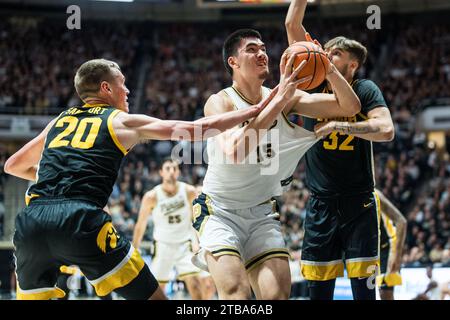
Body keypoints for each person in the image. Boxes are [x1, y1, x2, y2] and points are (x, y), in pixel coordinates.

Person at [3, 58, 290, 300]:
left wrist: (53, 177)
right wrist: (254, 110)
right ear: (106, 88)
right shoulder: (119, 120)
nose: (127, 90)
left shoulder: (59, 121)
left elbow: (13, 165)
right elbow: (192, 129)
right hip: (79, 218)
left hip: (31, 223)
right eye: (122, 83)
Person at [191, 29, 361, 300]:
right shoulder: (220, 102)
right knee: (236, 294)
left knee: (277, 296)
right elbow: (236, 151)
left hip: (261, 214)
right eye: (251, 49)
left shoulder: (287, 97)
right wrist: (278, 99)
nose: (261, 54)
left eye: (263, 48)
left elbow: (350, 106)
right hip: (220, 212)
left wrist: (328, 68)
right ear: (233, 62)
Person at [285, 0, 395, 300]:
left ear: (352, 64)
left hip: (359, 203)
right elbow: (292, 26)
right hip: (321, 203)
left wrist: (342, 127)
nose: (327, 56)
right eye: (326, 51)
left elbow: (386, 130)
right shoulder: (310, 84)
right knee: (318, 293)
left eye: (336, 54)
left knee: (364, 293)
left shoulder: (365, 89)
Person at [132, 158, 202, 299]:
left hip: (185, 244)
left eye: (174, 168)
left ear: (178, 172)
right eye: (168, 168)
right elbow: (141, 224)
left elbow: (197, 219)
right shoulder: (151, 196)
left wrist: (198, 242)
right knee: (158, 292)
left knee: (195, 286)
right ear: (161, 172)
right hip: (162, 246)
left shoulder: (189, 191)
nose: (171, 171)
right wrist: (135, 249)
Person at [375, 188, 407, 300]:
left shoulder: (375, 194)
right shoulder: (350, 197)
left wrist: (397, 255)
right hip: (372, 251)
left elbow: (402, 222)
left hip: (387, 249)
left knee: (385, 293)